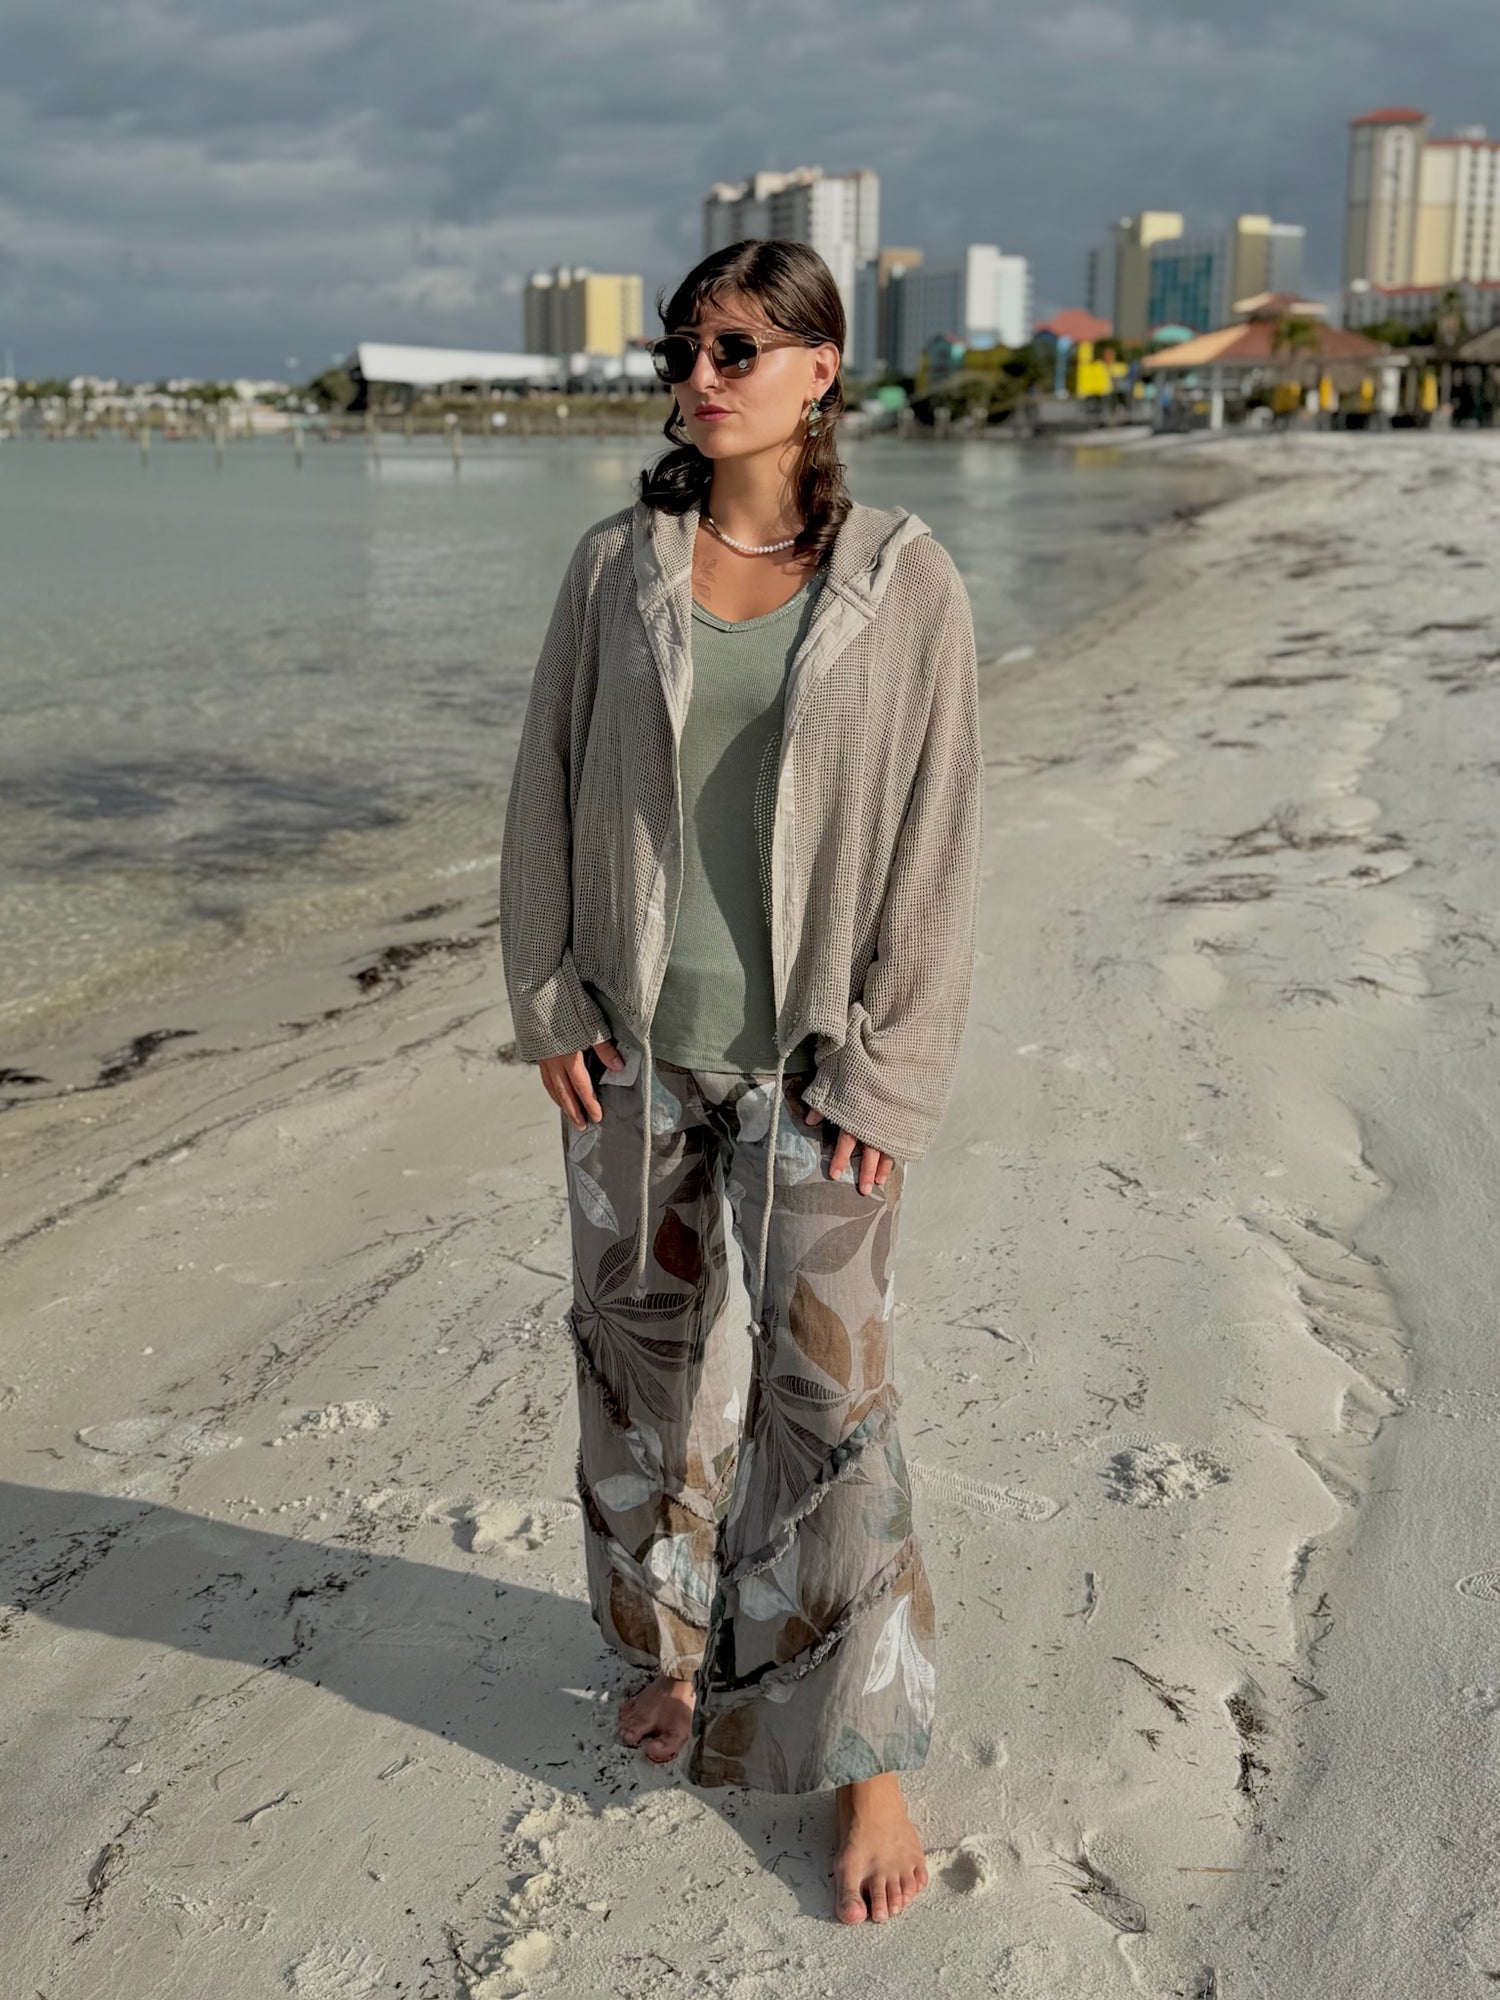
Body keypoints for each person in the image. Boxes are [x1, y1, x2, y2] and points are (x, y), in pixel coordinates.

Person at [499, 238, 983, 1925]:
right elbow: (546, 785)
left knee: (830, 1414)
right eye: (684, 347)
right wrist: (548, 993)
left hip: (816, 1075)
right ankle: (666, 1653)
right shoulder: (614, 565)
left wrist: (893, 1074)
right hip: (630, 1059)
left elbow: (939, 842)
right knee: (635, 1381)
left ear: (821, 367)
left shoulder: (906, 581)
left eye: (737, 345)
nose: (700, 373)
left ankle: (865, 1764)